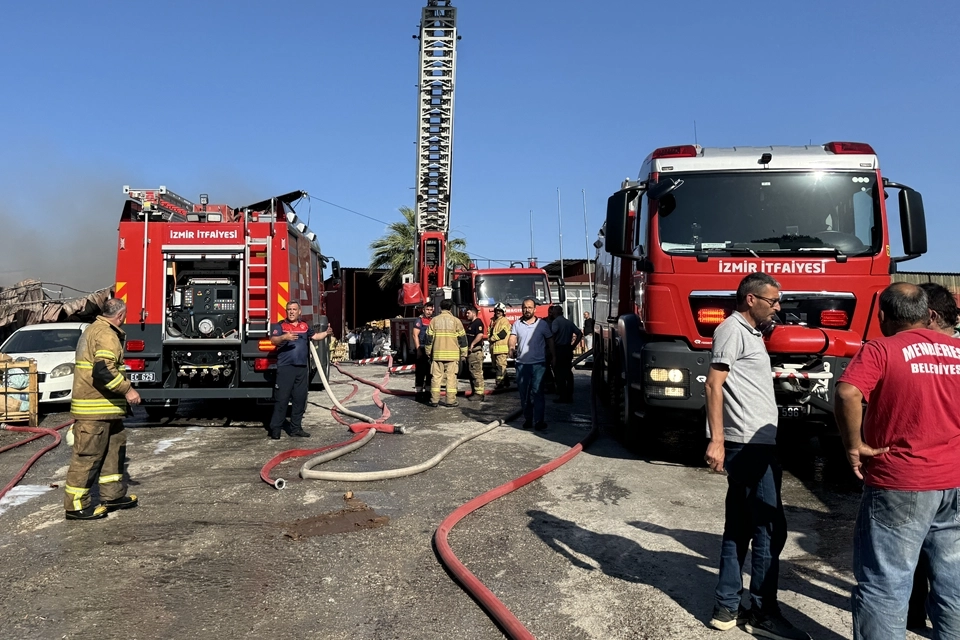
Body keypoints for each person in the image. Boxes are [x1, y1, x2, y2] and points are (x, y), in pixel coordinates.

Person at [836, 283, 960, 639]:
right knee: (953, 583)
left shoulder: (882, 349)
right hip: (954, 479)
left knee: (885, 582)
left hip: (901, 480)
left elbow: (847, 391)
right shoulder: (957, 350)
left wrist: (854, 444)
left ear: (882, 316)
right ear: (928, 314)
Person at [704, 273, 809, 640]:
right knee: (769, 526)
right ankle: (763, 612)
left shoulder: (752, 335)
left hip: (757, 441)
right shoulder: (732, 329)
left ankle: (726, 607)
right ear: (751, 299)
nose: (778, 307)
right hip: (747, 442)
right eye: (773, 300)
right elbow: (714, 384)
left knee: (741, 525)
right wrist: (717, 440)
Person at [908, 281, 960, 630]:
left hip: (914, 472)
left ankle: (913, 614)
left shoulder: (907, 349)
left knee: (903, 556)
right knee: (949, 563)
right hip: (953, 473)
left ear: (931, 315)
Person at [64, 298, 141, 521]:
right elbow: (103, 371)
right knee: (87, 458)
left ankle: (112, 496)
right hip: (94, 411)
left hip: (107, 410)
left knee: (113, 451)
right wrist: (128, 390)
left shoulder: (94, 329)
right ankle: (76, 506)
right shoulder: (106, 334)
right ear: (120, 315)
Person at [267, 302, 332, 439]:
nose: (291, 312)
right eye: (289, 309)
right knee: (282, 400)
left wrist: (326, 333)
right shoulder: (280, 326)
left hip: (301, 369)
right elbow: (273, 340)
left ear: (299, 312)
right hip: (286, 369)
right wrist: (284, 337)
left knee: (300, 399)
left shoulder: (304, 326)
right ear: (286, 311)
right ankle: (275, 429)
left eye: (294, 310)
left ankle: (296, 428)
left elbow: (315, 337)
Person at [508, 297, 555, 431]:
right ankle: (528, 419)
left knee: (538, 392)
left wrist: (553, 356)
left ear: (535, 309)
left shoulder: (542, 325)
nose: (527, 310)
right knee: (524, 394)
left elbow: (550, 340)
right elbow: (512, 338)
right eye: (524, 307)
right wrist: (511, 348)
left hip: (538, 364)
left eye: (529, 307)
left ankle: (539, 421)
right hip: (522, 364)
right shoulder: (517, 324)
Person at [424, 299, 467, 407]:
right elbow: (462, 339)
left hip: (438, 354)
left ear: (440, 308)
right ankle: (450, 401)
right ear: (451, 308)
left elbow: (429, 338)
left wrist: (428, 351)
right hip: (452, 356)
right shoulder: (456, 321)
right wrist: (464, 353)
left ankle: (434, 400)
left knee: (436, 377)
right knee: (451, 378)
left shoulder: (434, 320)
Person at [548, 305, 582, 403]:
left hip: (559, 349)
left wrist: (551, 349)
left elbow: (552, 336)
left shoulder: (556, 322)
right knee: (568, 372)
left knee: (558, 373)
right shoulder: (569, 323)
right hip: (567, 349)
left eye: (553, 312)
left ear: (556, 313)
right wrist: (573, 345)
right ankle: (569, 395)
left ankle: (562, 396)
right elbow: (579, 333)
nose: (551, 313)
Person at [413, 301, 434, 402]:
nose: (429, 312)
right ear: (423, 310)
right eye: (427, 310)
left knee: (430, 373)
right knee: (420, 373)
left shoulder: (433, 321)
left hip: (431, 351)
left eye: (431, 310)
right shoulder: (419, 321)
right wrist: (418, 350)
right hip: (421, 348)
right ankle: (419, 393)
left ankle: (428, 392)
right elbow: (415, 335)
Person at [464, 305, 486, 402]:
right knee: (472, 373)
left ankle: (479, 394)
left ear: (473, 313)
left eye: (468, 313)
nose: (466, 314)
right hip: (471, 353)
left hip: (475, 352)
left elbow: (480, 335)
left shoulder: (478, 323)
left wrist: (472, 344)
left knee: (476, 373)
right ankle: (475, 392)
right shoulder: (471, 323)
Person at [488, 302, 512, 389]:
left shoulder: (504, 321)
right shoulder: (493, 320)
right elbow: (489, 331)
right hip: (494, 348)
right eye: (497, 311)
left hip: (501, 348)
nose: (498, 312)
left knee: (500, 367)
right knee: (498, 366)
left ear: (503, 312)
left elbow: (503, 333)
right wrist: (489, 338)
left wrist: (492, 338)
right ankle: (506, 382)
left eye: (500, 311)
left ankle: (499, 383)